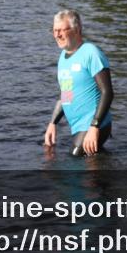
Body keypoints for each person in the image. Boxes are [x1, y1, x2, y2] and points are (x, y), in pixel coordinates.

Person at [43, 9, 114, 156]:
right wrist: (52, 123)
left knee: (75, 159)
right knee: (90, 161)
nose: (57, 35)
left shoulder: (91, 53)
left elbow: (107, 92)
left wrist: (94, 127)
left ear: (76, 30)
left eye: (61, 30)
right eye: (54, 30)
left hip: (94, 124)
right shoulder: (63, 57)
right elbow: (66, 94)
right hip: (78, 126)